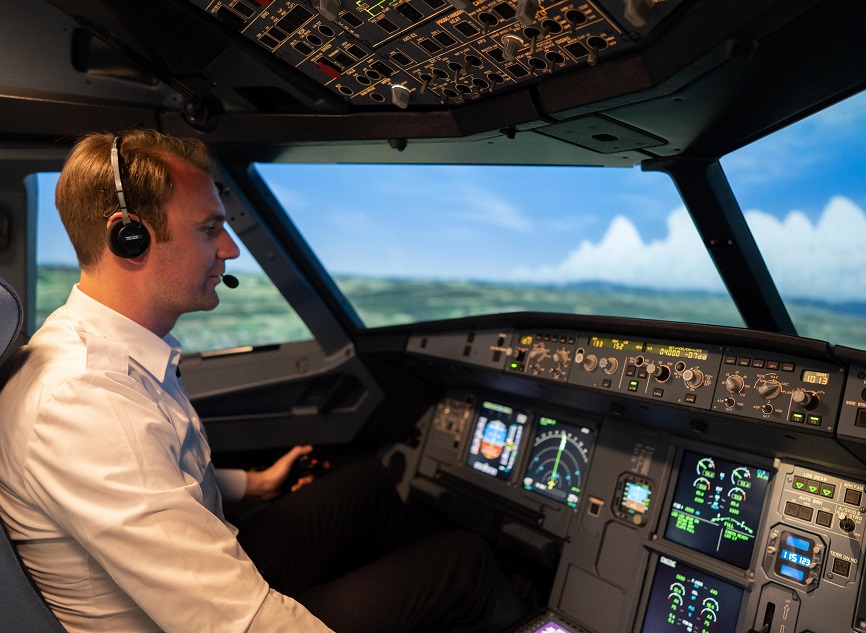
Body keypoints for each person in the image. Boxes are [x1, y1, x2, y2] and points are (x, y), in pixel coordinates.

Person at [0, 129, 525, 633]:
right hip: (189, 620)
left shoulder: (102, 351)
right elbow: (242, 623)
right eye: (209, 228)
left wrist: (256, 484)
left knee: (367, 484)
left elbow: (154, 475)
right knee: (465, 564)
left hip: (187, 586)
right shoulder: (85, 400)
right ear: (130, 236)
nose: (230, 249)